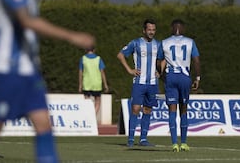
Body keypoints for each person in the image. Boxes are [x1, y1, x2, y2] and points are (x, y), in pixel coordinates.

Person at [0, 0, 95, 162]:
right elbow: (25, 20)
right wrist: (71, 36)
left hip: (28, 70)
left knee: (44, 125)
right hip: (7, 69)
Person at [117, 19, 161, 147]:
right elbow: (120, 55)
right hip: (139, 83)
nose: (151, 32)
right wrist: (129, 70)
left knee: (148, 110)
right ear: (144, 30)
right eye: (149, 30)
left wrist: (160, 71)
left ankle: (143, 139)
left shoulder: (158, 45)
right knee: (135, 109)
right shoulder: (135, 43)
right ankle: (130, 139)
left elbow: (163, 59)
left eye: (153, 30)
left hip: (153, 83)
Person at [158, 19, 201, 152]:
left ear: (172, 28)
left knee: (172, 109)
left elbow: (158, 61)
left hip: (171, 77)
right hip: (184, 77)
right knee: (183, 109)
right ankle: (183, 143)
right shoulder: (190, 42)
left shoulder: (164, 42)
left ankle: (174, 144)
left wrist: (162, 75)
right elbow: (196, 60)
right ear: (183, 28)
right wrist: (198, 78)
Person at [78, 47, 109, 118]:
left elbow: (80, 72)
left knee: (86, 101)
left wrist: (80, 85)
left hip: (86, 83)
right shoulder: (98, 59)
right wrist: (105, 85)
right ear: (94, 49)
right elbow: (102, 72)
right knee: (98, 101)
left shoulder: (83, 59)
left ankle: (87, 116)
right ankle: (93, 116)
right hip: (96, 84)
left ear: (85, 49)